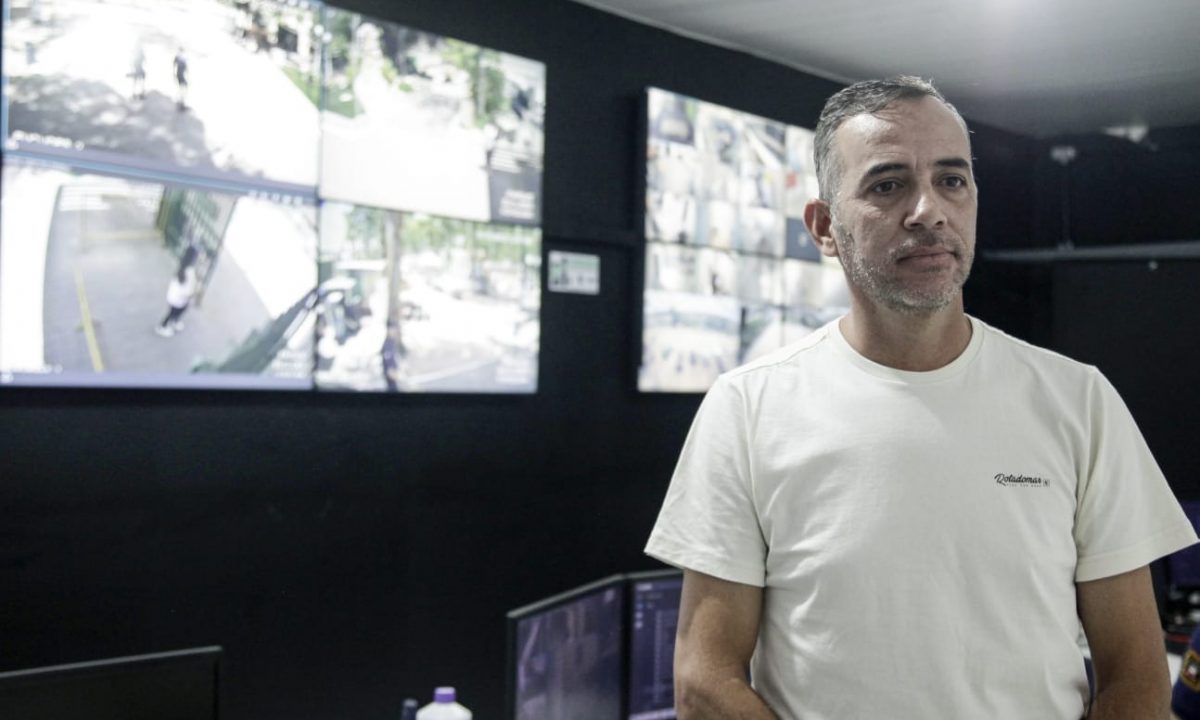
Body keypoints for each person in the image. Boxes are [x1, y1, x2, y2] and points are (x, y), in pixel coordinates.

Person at [645, 76, 1198, 719]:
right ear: (824, 227)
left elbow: (1136, 679)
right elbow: (704, 681)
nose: (929, 211)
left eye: (951, 180)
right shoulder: (747, 408)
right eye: (887, 185)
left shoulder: (1079, 401)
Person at [156, 247, 198, 337]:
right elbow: (190, 289)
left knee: (174, 311)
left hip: (173, 295)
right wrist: (192, 294)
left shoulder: (183, 264)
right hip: (180, 298)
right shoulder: (190, 271)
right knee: (174, 312)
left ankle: (174, 321)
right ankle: (162, 326)